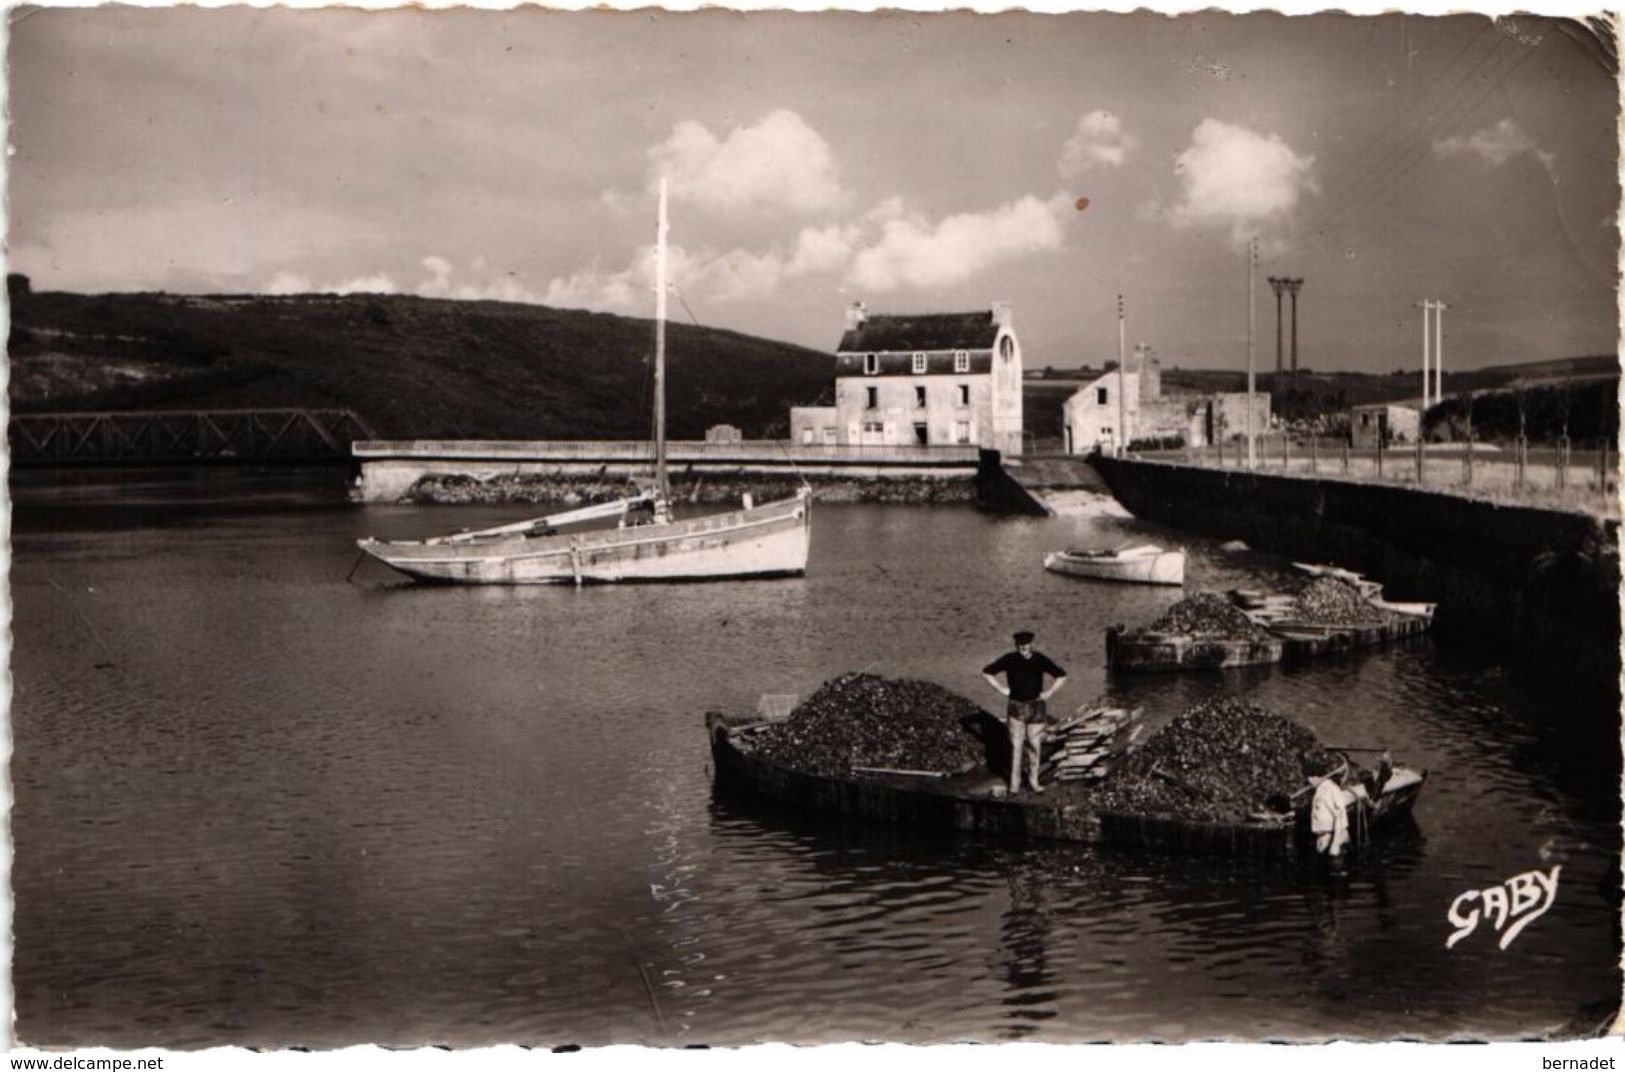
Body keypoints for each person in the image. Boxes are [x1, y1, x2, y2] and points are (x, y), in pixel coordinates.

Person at [982, 630, 1067, 795]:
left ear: (1031, 644)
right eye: (1020, 645)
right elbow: (986, 672)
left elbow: (1061, 675)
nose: (1023, 647)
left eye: (1026, 644)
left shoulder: (1040, 659)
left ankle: (1034, 781)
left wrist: (1049, 693)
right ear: (1016, 645)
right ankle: (1014, 785)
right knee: (1016, 746)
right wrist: (1000, 689)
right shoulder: (1009, 659)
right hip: (1015, 707)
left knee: (1035, 745)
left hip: (1036, 707)